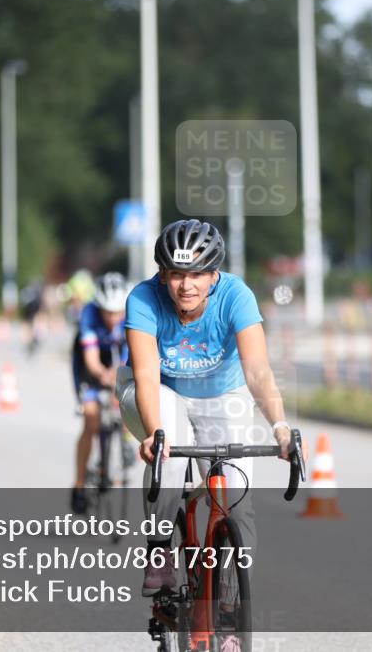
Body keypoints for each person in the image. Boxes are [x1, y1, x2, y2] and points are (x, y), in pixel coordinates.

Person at [115, 219, 300, 601]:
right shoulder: (144, 299)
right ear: (162, 274)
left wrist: (280, 428)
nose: (187, 285)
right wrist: (154, 433)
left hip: (221, 397)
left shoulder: (237, 295)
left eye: (198, 274)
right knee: (169, 438)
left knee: (236, 504)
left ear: (215, 274)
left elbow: (257, 370)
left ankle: (231, 609)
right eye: (177, 274)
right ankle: (160, 549)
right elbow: (147, 376)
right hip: (158, 394)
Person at [70, 272, 131, 514]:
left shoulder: (130, 316)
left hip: (118, 359)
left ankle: (126, 440)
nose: (112, 317)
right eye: (108, 311)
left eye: (117, 312)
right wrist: (101, 374)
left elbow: (130, 357)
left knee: (130, 398)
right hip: (87, 366)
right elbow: (91, 359)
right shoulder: (89, 315)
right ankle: (79, 484)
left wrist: (119, 379)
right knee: (91, 421)